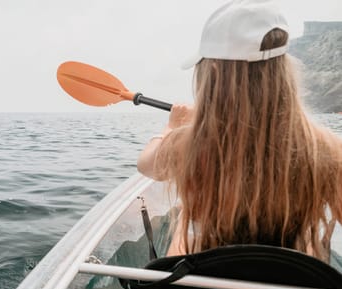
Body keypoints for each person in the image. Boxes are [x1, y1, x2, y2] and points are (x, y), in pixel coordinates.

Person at [137, 0, 342, 261]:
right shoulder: (327, 150)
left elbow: (146, 165)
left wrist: (172, 126)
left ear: (211, 73)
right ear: (283, 71)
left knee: (183, 217)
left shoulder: (189, 144)